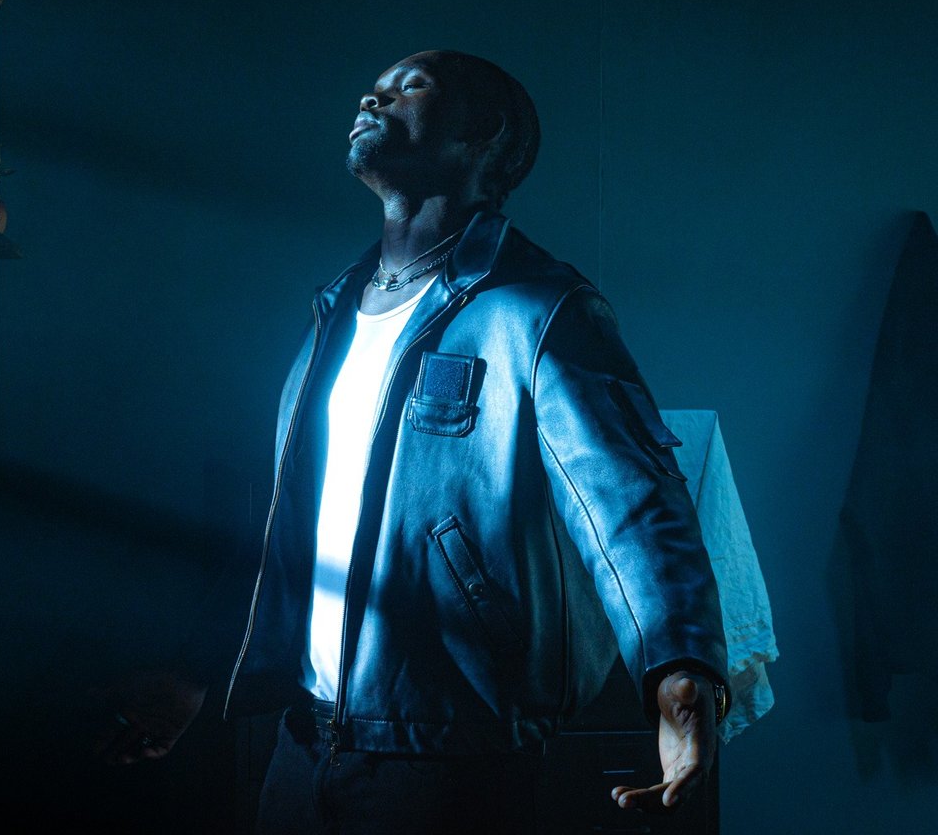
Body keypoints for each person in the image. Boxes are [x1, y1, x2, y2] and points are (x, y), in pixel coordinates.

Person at [96, 50, 729, 833]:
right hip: (303, 743)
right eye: (375, 88)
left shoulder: (540, 311)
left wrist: (680, 670)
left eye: (410, 87)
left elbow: (632, 503)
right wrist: (195, 671)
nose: (374, 97)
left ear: (481, 131)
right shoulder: (334, 312)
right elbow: (293, 530)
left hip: (451, 762)